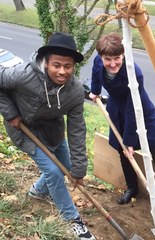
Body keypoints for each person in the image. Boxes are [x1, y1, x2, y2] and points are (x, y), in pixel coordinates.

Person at [0, 32, 95, 240]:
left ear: (73, 67)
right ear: (46, 63)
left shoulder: (75, 91)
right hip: (24, 128)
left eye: (67, 66)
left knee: (66, 166)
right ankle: (72, 219)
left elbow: (77, 130)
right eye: (57, 65)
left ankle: (37, 191)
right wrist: (11, 113)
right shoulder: (23, 74)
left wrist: (79, 171)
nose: (62, 72)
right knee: (53, 171)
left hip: (52, 130)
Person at [89, 32, 155, 219]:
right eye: (107, 59)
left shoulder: (133, 73)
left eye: (117, 59)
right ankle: (132, 188)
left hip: (141, 112)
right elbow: (96, 75)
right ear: (101, 57)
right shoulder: (98, 62)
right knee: (124, 154)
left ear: (124, 55)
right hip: (116, 111)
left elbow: (132, 110)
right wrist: (94, 92)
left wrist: (129, 140)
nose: (112, 64)